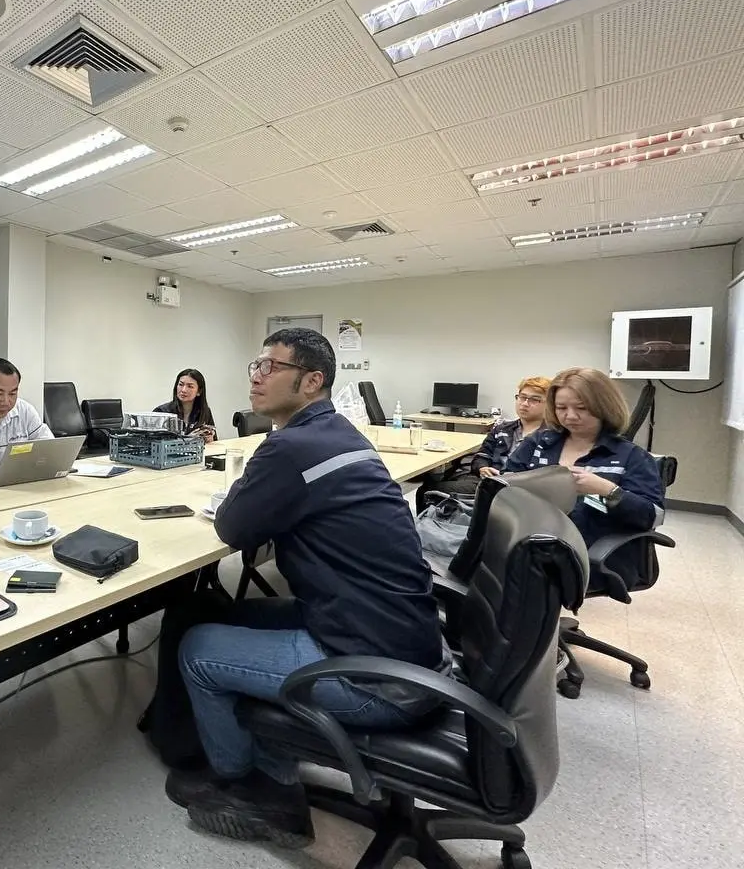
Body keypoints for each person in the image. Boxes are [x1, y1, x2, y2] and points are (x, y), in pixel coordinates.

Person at [163, 328, 448, 847]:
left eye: (270, 367)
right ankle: (270, 758)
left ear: (312, 381)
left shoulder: (291, 446)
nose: (256, 376)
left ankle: (250, 789)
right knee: (229, 613)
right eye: (256, 365)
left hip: (375, 675)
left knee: (197, 647)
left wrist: (257, 475)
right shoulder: (338, 433)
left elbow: (232, 526)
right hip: (406, 643)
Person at [504, 367, 664, 551]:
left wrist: (608, 491)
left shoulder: (631, 456)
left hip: (588, 552)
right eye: (561, 408)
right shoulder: (538, 443)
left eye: (582, 408)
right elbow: (505, 485)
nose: (570, 416)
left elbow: (653, 516)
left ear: (604, 407)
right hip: (531, 546)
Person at [414, 375, 550, 512]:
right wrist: (482, 468)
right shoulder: (502, 429)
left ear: (549, 404)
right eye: (522, 397)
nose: (525, 403)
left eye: (534, 400)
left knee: (429, 491)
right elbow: (481, 455)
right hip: (486, 481)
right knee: (427, 487)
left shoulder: (551, 437)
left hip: (516, 490)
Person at [154, 369, 216, 441]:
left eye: (190, 386)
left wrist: (209, 438)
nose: (183, 390)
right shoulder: (162, 412)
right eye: (181, 384)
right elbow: (153, 443)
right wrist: (188, 439)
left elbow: (215, 440)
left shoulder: (204, 411)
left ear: (199, 391)